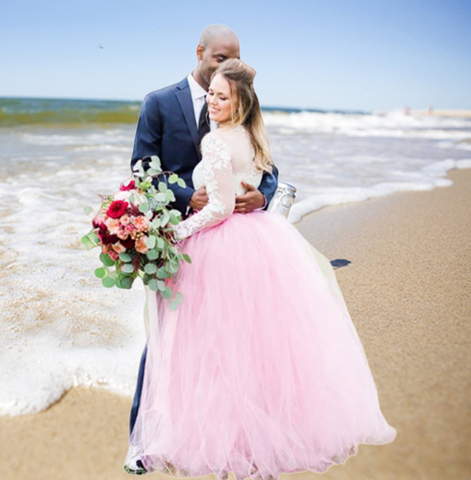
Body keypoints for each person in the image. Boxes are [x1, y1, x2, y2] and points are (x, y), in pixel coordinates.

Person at [124, 58, 397, 479]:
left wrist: (176, 234)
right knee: (252, 347)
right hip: (258, 241)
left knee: (213, 348)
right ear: (200, 54)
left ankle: (224, 444)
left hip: (219, 245)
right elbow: (150, 168)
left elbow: (219, 206)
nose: (212, 102)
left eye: (221, 96)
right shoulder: (251, 135)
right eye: (211, 93)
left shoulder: (217, 141)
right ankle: (255, 442)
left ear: (239, 101)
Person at [127, 24, 279, 443]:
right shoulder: (159, 102)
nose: (228, 65)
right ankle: (144, 442)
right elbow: (142, 170)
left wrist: (260, 197)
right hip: (178, 234)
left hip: (233, 245)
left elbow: (266, 165)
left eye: (235, 59)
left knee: (227, 337)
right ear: (199, 52)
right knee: (165, 336)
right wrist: (184, 196)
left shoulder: (240, 105)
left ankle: (214, 436)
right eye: (219, 58)